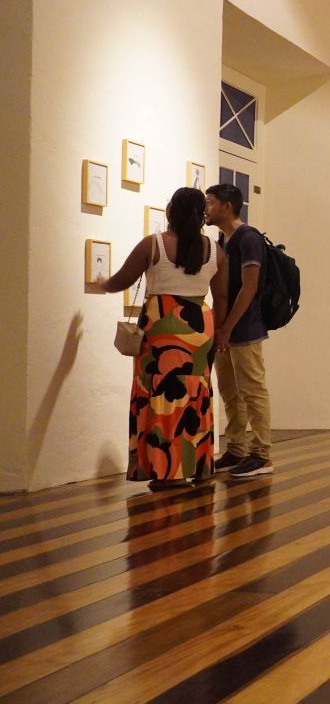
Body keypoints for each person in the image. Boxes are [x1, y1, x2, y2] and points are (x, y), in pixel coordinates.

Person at [95, 187, 227, 489]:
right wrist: (220, 331)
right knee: (195, 394)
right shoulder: (215, 250)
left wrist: (104, 284)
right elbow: (221, 297)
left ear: (170, 211)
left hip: (162, 322)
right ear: (201, 215)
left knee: (160, 394)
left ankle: (165, 469)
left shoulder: (154, 244)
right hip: (199, 325)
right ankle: (195, 465)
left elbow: (123, 279)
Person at [205, 184, 274, 478]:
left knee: (252, 390)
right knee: (230, 391)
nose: (206, 209)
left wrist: (228, 327)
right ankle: (236, 448)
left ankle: (261, 454)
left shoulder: (248, 238)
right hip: (226, 328)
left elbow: (250, 286)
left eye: (210, 203)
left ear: (227, 207)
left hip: (245, 327)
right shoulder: (224, 239)